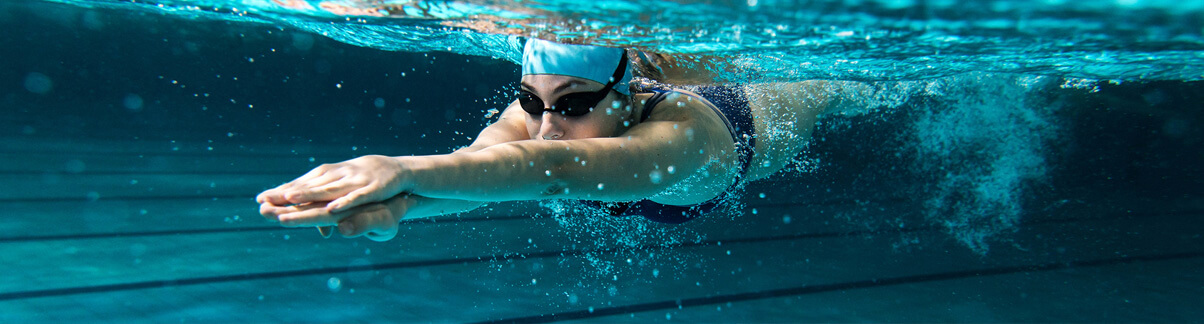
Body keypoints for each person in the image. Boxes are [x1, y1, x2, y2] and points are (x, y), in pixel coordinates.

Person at [257, 39, 832, 241]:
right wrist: (399, 210)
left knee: (841, 89)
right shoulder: (540, 115)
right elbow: (479, 170)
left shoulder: (682, 138)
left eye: (577, 104)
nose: (548, 124)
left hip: (766, 111)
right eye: (532, 102)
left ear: (625, 98)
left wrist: (400, 169)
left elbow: (551, 167)